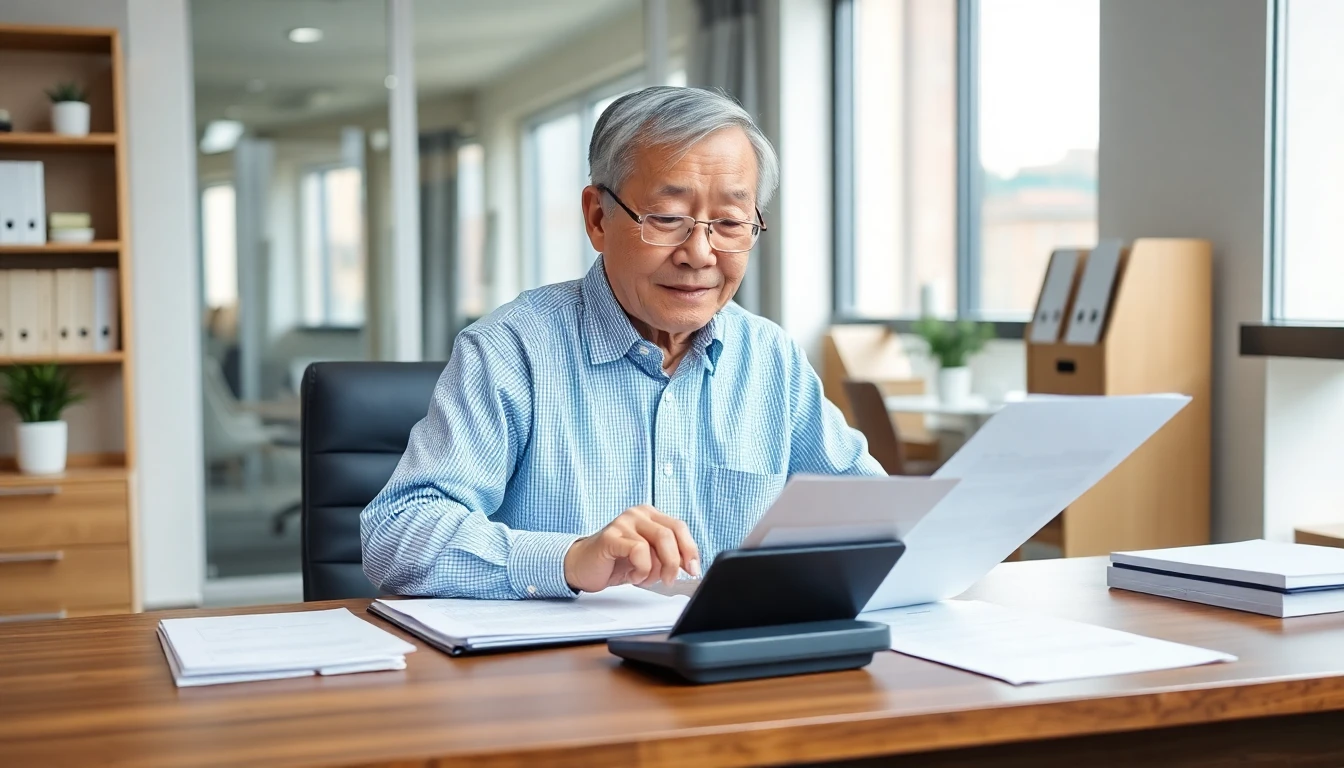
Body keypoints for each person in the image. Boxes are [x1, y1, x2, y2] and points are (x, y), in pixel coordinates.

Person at [361, 86, 883, 600]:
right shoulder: (510, 351)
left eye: (728, 222)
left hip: (729, 667)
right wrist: (568, 559)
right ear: (597, 218)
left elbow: (874, 516)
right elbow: (396, 535)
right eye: (668, 219)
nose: (700, 253)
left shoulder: (771, 358)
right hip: (562, 672)